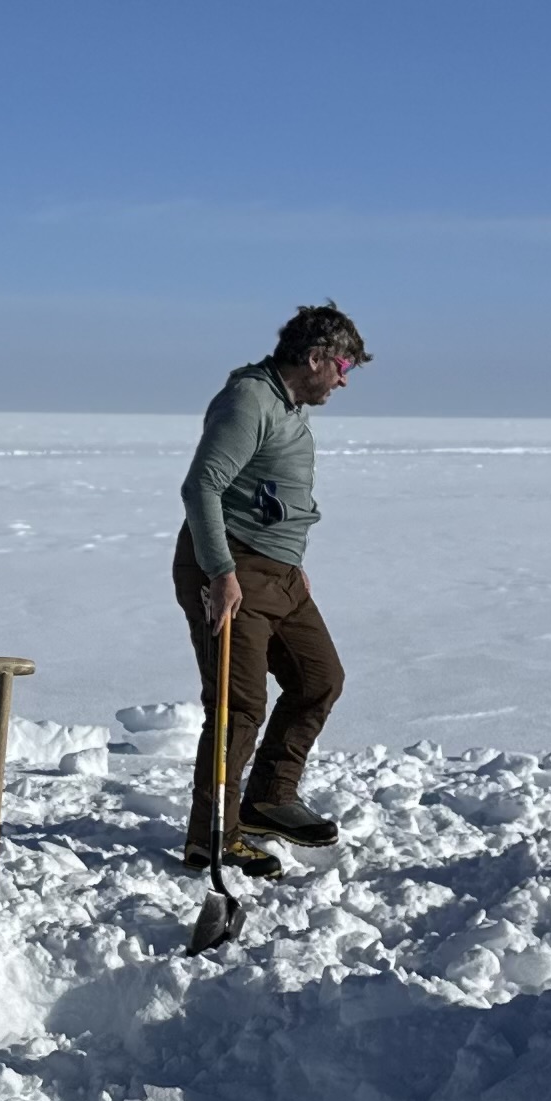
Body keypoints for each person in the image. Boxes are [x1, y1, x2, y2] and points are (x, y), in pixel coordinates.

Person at [176, 302, 370, 872]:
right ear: (315, 357)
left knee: (318, 679)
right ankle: (213, 836)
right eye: (342, 367)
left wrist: (291, 560)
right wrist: (220, 572)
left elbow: (269, 494)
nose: (343, 381)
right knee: (238, 707)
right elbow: (202, 487)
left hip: (278, 573)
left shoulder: (287, 406)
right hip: (231, 568)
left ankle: (269, 798)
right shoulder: (249, 400)